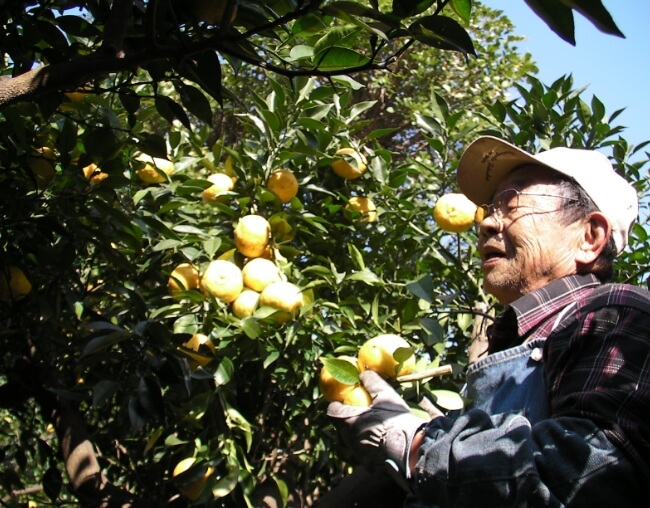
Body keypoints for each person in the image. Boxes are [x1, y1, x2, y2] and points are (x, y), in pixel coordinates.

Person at [324, 136, 650, 507]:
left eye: (512, 204)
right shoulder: (514, 342)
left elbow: (587, 473)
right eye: (492, 206)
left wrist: (418, 446)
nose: (487, 223)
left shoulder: (617, 312)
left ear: (589, 237)